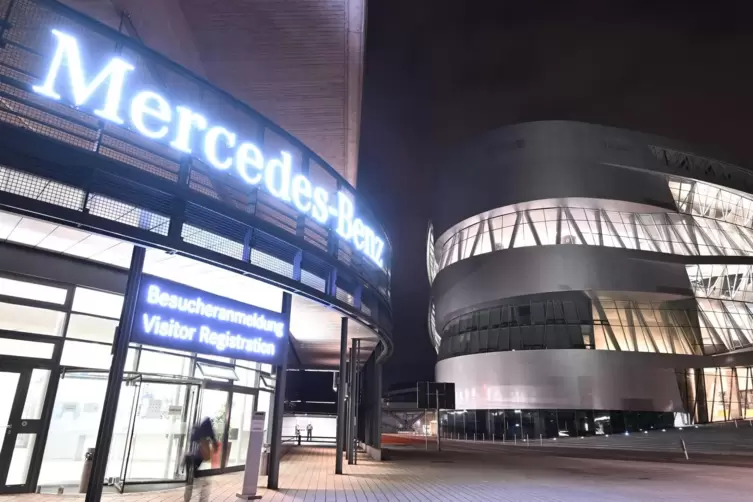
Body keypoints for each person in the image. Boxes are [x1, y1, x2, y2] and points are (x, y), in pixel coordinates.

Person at [184, 417, 218, 502]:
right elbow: (215, 448)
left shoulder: (196, 431)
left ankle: (186, 499)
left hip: (190, 459)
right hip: (201, 461)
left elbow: (191, 444)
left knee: (189, 483)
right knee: (205, 483)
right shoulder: (208, 434)